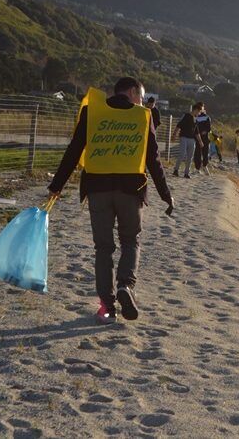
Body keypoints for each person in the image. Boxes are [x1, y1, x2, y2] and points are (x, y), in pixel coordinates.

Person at [48, 77, 173, 325]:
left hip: (98, 189)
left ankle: (107, 306)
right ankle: (126, 285)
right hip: (130, 190)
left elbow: (74, 150)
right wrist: (166, 194)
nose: (141, 101)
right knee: (131, 241)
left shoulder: (92, 112)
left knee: (103, 248)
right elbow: (153, 160)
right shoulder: (142, 117)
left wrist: (57, 186)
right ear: (132, 91)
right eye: (140, 95)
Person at [172, 102, 203, 178]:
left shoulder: (195, 119)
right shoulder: (186, 116)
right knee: (182, 154)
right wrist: (174, 134)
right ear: (195, 110)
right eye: (199, 112)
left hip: (192, 140)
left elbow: (197, 132)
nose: (199, 114)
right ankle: (176, 170)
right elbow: (179, 125)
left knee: (190, 157)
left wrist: (200, 141)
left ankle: (186, 173)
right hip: (184, 138)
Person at [193, 107, 213, 174]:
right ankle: (202, 167)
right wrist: (204, 132)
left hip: (198, 137)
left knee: (199, 153)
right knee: (204, 153)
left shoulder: (198, 118)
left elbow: (208, 128)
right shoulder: (206, 117)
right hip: (202, 138)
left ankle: (199, 167)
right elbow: (209, 128)